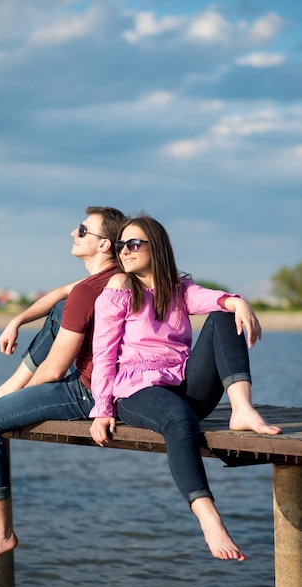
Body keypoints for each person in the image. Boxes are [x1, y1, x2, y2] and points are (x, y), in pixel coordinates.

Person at [89, 214, 282, 562]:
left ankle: (241, 408)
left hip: (184, 386)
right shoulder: (120, 288)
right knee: (179, 419)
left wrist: (238, 302)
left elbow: (216, 300)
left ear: (156, 246)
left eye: (133, 243)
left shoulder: (179, 289)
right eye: (121, 245)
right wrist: (101, 409)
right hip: (137, 391)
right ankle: (209, 517)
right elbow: (103, 353)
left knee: (223, 315)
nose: (125, 251)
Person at [0, 205, 126, 575]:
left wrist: (18, 403)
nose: (73, 233)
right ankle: (1, 393)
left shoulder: (90, 292)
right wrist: (17, 319)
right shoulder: (112, 278)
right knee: (60, 308)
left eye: (82, 230)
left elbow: (52, 371)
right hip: (111, 386)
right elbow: (60, 296)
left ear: (103, 245)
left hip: (89, 394)